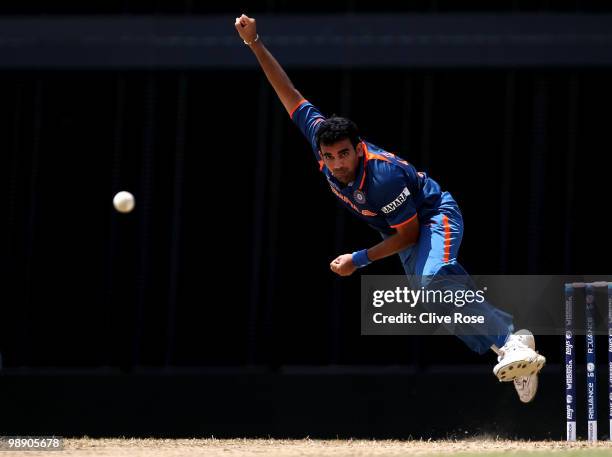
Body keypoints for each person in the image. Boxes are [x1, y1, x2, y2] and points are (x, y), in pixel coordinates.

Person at [234, 14, 545, 402]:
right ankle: (510, 347)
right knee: (434, 298)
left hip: (433, 217)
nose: (337, 164)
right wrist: (254, 41)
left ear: (358, 146)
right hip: (400, 231)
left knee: (434, 282)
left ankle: (508, 338)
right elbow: (288, 92)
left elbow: (409, 235)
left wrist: (358, 259)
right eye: (329, 157)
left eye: (344, 154)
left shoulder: (383, 178)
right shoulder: (320, 138)